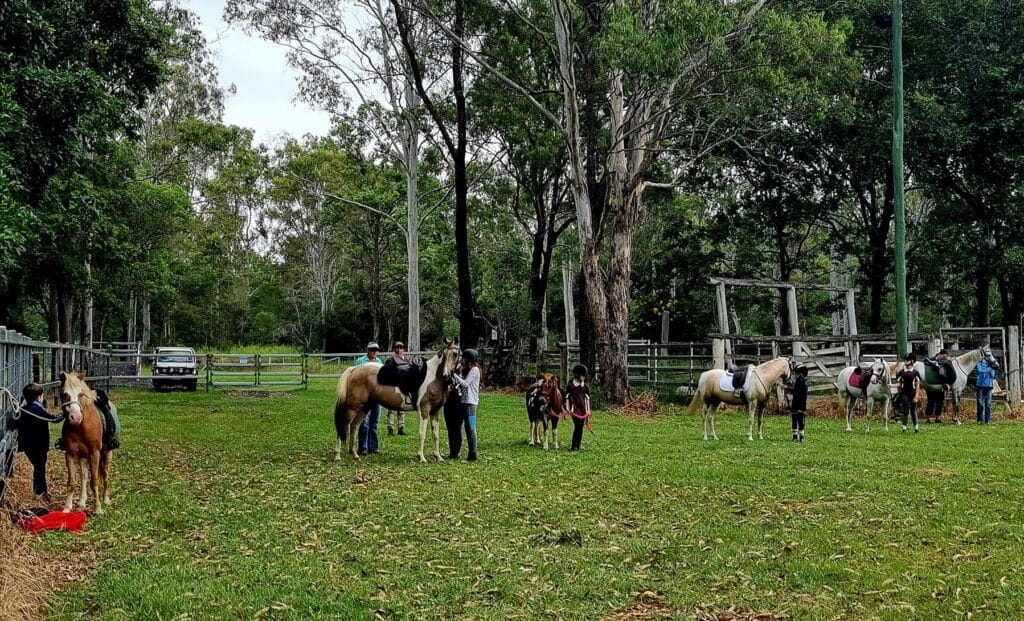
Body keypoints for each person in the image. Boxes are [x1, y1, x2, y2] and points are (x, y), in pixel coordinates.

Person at [8, 383, 62, 501]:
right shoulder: (38, 409)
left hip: (27, 446)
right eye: (42, 396)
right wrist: (64, 415)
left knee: (38, 467)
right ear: (39, 397)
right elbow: (53, 419)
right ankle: (41, 493)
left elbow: (13, 423)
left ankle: (39, 491)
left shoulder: (23, 410)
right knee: (40, 468)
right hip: (39, 446)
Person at [451, 348, 481, 462]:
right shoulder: (467, 370)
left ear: (469, 359)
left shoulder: (475, 370)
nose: (462, 360)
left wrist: (454, 375)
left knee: (471, 428)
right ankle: (471, 453)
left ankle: (473, 453)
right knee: (467, 428)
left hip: (471, 403)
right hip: (465, 402)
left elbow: (465, 384)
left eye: (464, 359)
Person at [354, 342, 383, 456]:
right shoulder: (361, 361)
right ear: (367, 350)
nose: (374, 351)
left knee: (374, 422)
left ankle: (373, 447)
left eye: (376, 349)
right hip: (364, 396)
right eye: (371, 349)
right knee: (364, 422)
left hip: (376, 396)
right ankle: (363, 447)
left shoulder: (380, 362)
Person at [385, 342, 410, 435]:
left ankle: (401, 427)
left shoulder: (407, 360)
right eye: (397, 347)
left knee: (402, 407)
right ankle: (390, 427)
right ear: (394, 349)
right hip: (393, 386)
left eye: (401, 348)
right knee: (391, 408)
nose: (398, 350)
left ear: (403, 349)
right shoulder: (390, 360)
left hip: (403, 386)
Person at [891, 353, 922, 432]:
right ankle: (904, 427)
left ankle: (916, 427)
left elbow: (917, 385)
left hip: (912, 392)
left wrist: (916, 396)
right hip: (904, 392)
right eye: (905, 359)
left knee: (913, 411)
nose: (905, 361)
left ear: (912, 361)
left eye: (907, 360)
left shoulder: (915, 373)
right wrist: (892, 385)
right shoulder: (902, 372)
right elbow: (900, 383)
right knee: (905, 410)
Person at [565, 364, 591, 451]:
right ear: (577, 375)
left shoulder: (585, 386)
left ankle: (578, 445)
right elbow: (567, 397)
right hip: (574, 409)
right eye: (583, 376)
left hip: (583, 410)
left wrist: (588, 410)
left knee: (581, 427)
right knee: (577, 426)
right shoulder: (570, 386)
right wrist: (567, 407)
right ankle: (574, 445)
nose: (584, 378)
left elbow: (587, 398)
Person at [923, 349, 953, 423]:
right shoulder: (931, 360)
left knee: (940, 401)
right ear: (939, 354)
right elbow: (925, 364)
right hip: (932, 384)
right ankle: (928, 417)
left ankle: (938, 418)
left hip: (941, 384)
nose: (944, 358)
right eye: (943, 357)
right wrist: (935, 365)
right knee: (931, 401)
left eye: (945, 357)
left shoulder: (945, 363)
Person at [976, 358, 997, 424]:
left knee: (988, 404)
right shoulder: (979, 364)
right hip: (980, 385)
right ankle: (980, 420)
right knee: (980, 403)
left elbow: (993, 376)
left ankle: (987, 420)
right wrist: (987, 370)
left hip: (989, 386)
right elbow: (980, 370)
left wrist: (991, 370)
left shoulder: (992, 366)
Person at [790, 366, 809, 442]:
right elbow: (794, 391)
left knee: (800, 421)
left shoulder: (804, 384)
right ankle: (795, 436)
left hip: (800, 406)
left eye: (796, 374)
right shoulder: (797, 383)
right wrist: (787, 388)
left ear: (800, 374)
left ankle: (801, 436)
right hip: (795, 405)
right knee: (794, 421)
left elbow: (801, 396)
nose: (795, 375)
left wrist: (801, 408)